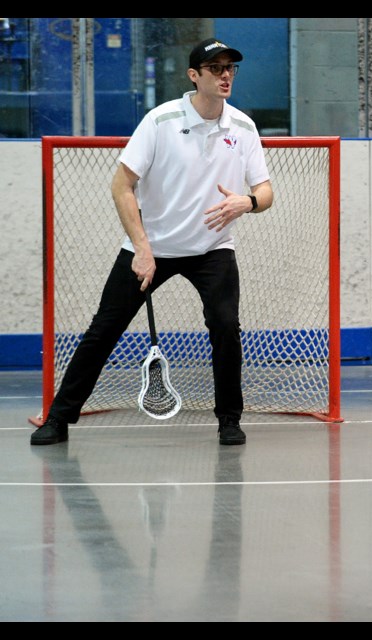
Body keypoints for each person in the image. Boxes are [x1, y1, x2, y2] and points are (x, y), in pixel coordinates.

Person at [31, 37, 273, 447]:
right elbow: (122, 184)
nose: (225, 74)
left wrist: (246, 203)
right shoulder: (160, 121)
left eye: (230, 67)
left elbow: (265, 192)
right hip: (152, 245)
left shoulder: (243, 128)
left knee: (225, 326)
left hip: (212, 249)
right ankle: (59, 418)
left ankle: (229, 420)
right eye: (215, 68)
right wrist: (142, 247)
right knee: (104, 329)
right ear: (194, 76)